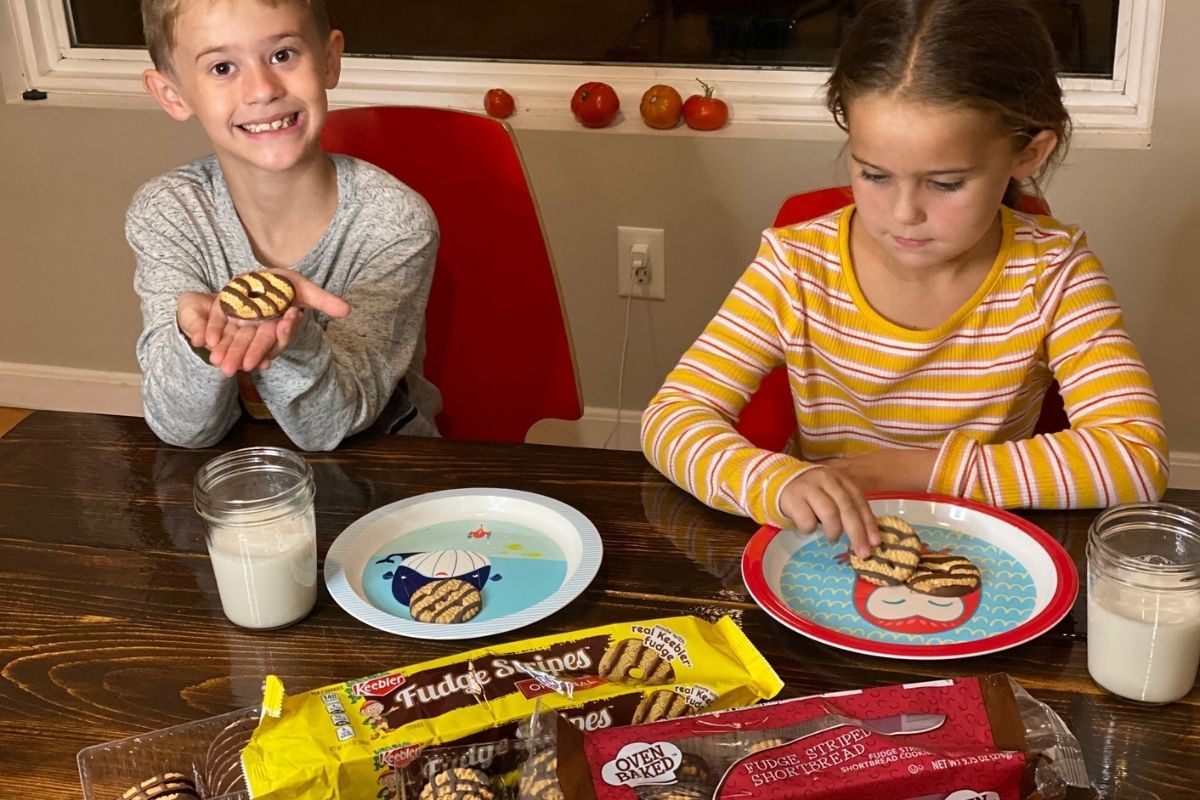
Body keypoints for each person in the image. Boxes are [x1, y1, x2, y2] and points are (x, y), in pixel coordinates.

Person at [641, 0, 1168, 557]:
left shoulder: (1054, 272)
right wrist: (775, 482)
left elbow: (1135, 458)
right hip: (827, 553)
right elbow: (672, 418)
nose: (902, 214)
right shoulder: (794, 266)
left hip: (985, 555)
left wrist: (902, 470)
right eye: (874, 174)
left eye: (944, 184)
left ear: (1028, 154)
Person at [128, 0, 441, 451]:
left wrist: (285, 329)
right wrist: (199, 344)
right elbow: (183, 429)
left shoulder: (393, 222)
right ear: (173, 94)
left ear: (329, 60)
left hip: (383, 465)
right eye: (221, 67)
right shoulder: (170, 212)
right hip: (241, 474)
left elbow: (332, 427)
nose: (261, 90)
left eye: (282, 55)